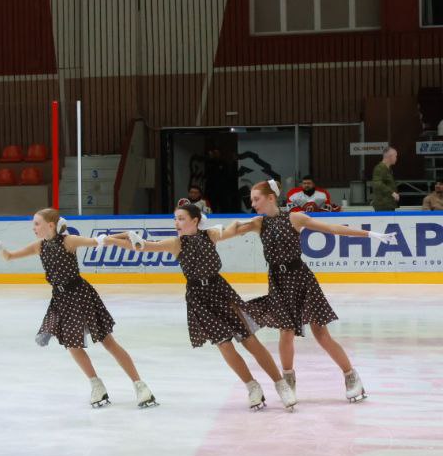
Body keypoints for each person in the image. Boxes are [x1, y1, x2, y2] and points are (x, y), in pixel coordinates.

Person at [223, 180, 399, 402]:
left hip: (301, 280)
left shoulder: (294, 217)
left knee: (321, 333)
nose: (253, 204)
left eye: (256, 199)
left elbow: (333, 228)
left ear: (270, 198)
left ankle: (351, 376)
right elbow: (225, 235)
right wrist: (203, 231)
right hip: (278, 282)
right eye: (251, 200)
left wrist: (371, 235)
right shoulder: (259, 224)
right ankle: (288, 380)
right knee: (285, 332)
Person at [124, 203, 295, 411]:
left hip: (220, 291)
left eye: (181, 218)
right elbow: (144, 246)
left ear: (195, 221)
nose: (176, 223)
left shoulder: (210, 235)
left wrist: (243, 223)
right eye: (175, 219)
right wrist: (112, 241)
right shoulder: (175, 243)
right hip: (199, 298)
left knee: (249, 340)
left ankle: (280, 383)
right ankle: (252, 386)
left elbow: (235, 230)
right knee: (224, 344)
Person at [0, 209, 156, 410]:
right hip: (60, 299)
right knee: (73, 345)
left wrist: (126, 235)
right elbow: (9, 257)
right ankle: (96, 385)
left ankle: (140, 385)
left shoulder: (68, 241)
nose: (33, 228)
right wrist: (0, 250)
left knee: (108, 342)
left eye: (36, 223)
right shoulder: (39, 246)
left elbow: (99, 241)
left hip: (80, 295)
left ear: (50, 225)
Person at [371, 147, 399, 212]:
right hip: (383, 206)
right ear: (390, 156)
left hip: (389, 204)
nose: (396, 158)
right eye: (395, 156)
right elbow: (377, 183)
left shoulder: (388, 169)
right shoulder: (379, 168)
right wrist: (392, 193)